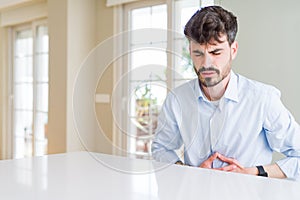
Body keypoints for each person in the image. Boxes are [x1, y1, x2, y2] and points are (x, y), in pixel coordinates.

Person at [151, 5, 300, 180]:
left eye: (216, 52)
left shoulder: (263, 99)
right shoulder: (177, 99)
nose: (206, 63)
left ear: (233, 50)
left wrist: (252, 172)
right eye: (198, 53)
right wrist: (189, 172)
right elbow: (161, 149)